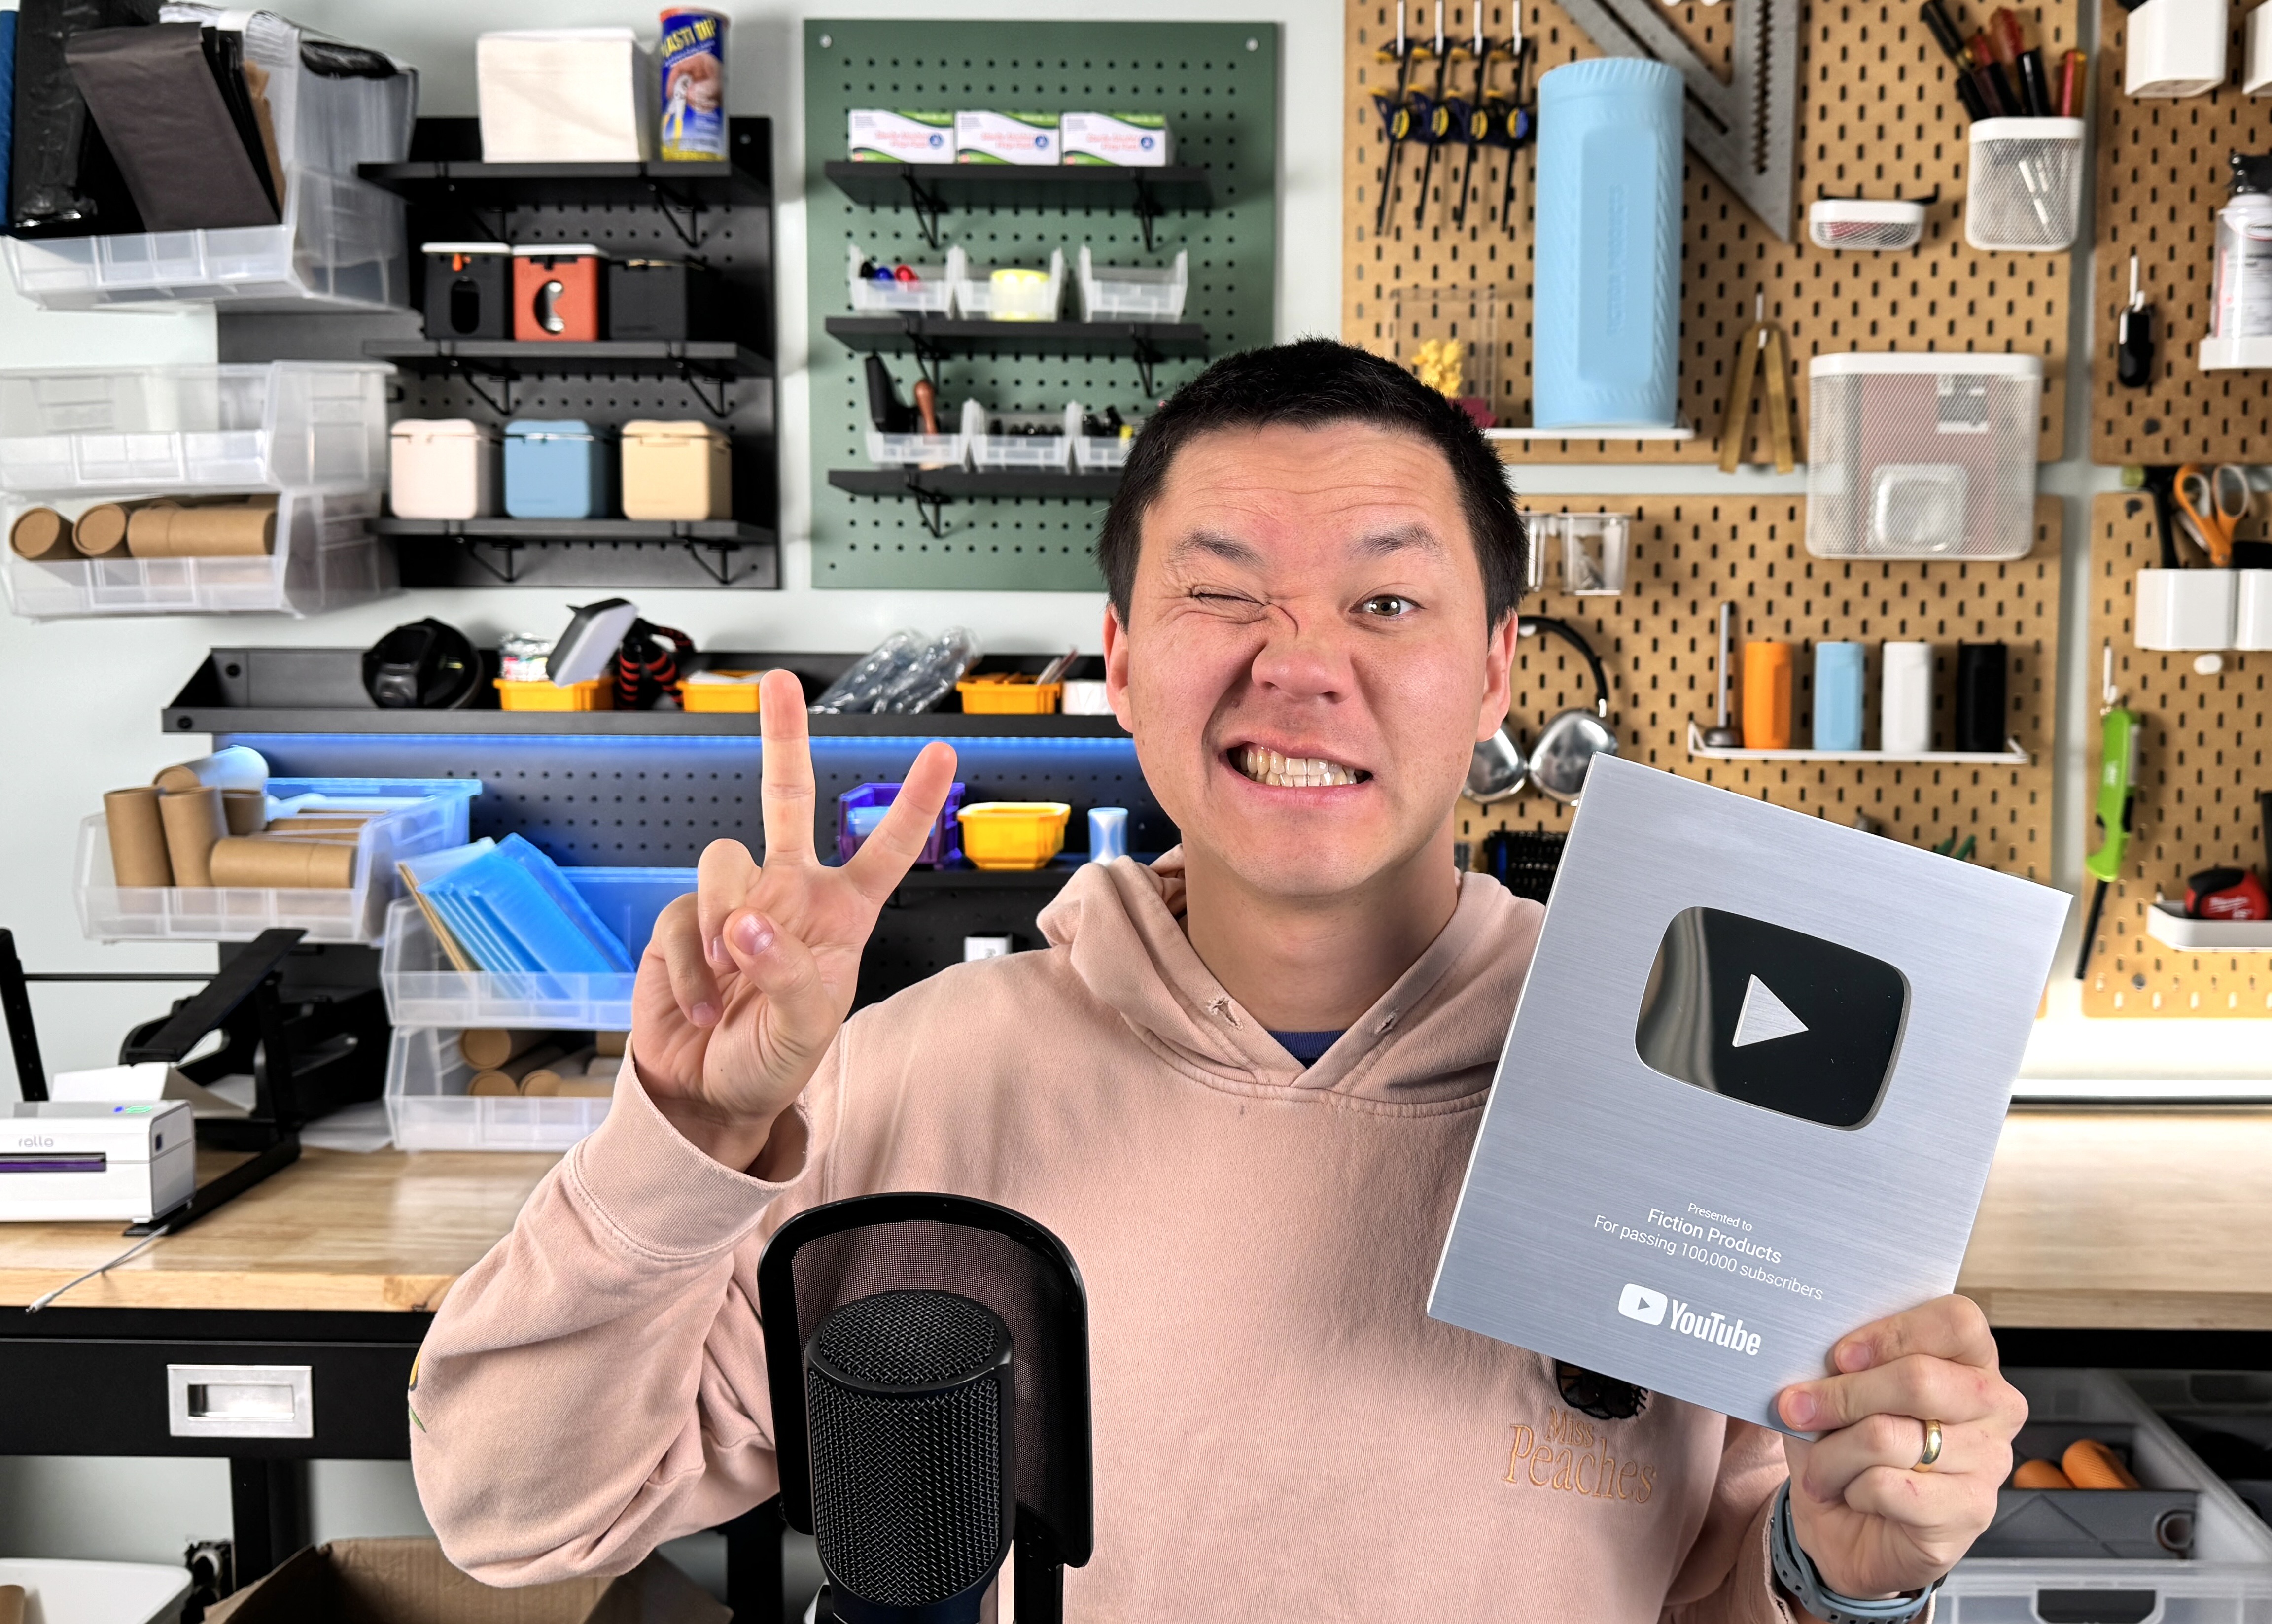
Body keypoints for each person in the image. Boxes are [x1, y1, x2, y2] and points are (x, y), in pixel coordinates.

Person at [409, 340, 2026, 1619]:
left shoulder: (1678, 1086)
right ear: (1117, 657)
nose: (1301, 663)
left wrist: (1842, 1578)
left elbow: (1719, 1604)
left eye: (1385, 600)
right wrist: (678, 1136)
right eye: (1223, 593)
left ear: (1493, 670)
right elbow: (515, 1511)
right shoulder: (908, 1079)